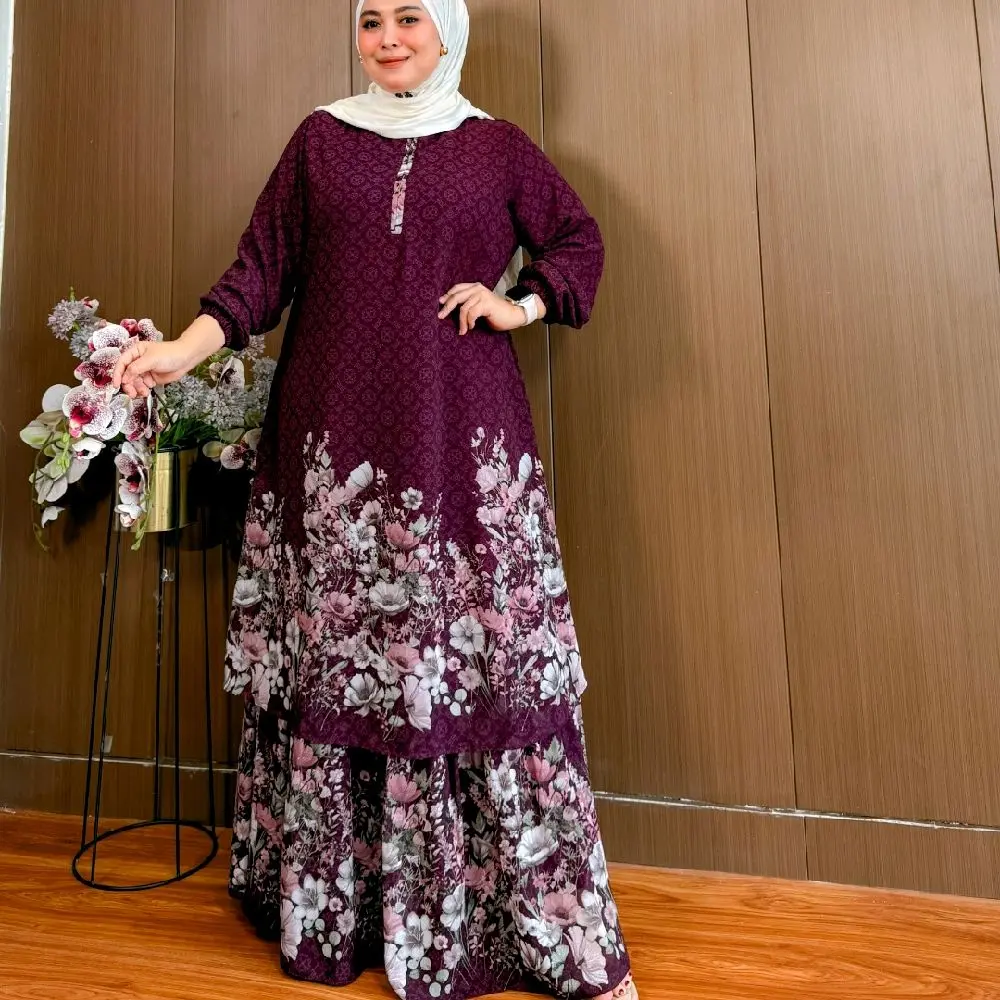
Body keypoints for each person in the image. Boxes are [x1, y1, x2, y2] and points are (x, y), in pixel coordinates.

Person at [113, 2, 637, 998]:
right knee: (341, 653)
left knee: (460, 657)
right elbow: (259, 271)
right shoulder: (320, 141)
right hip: (333, 440)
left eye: (409, 18)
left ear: (448, 30)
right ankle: (336, 912)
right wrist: (181, 350)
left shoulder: (494, 147)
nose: (388, 39)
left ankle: (488, 920)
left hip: (457, 441)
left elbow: (577, 242)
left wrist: (518, 302)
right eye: (370, 21)